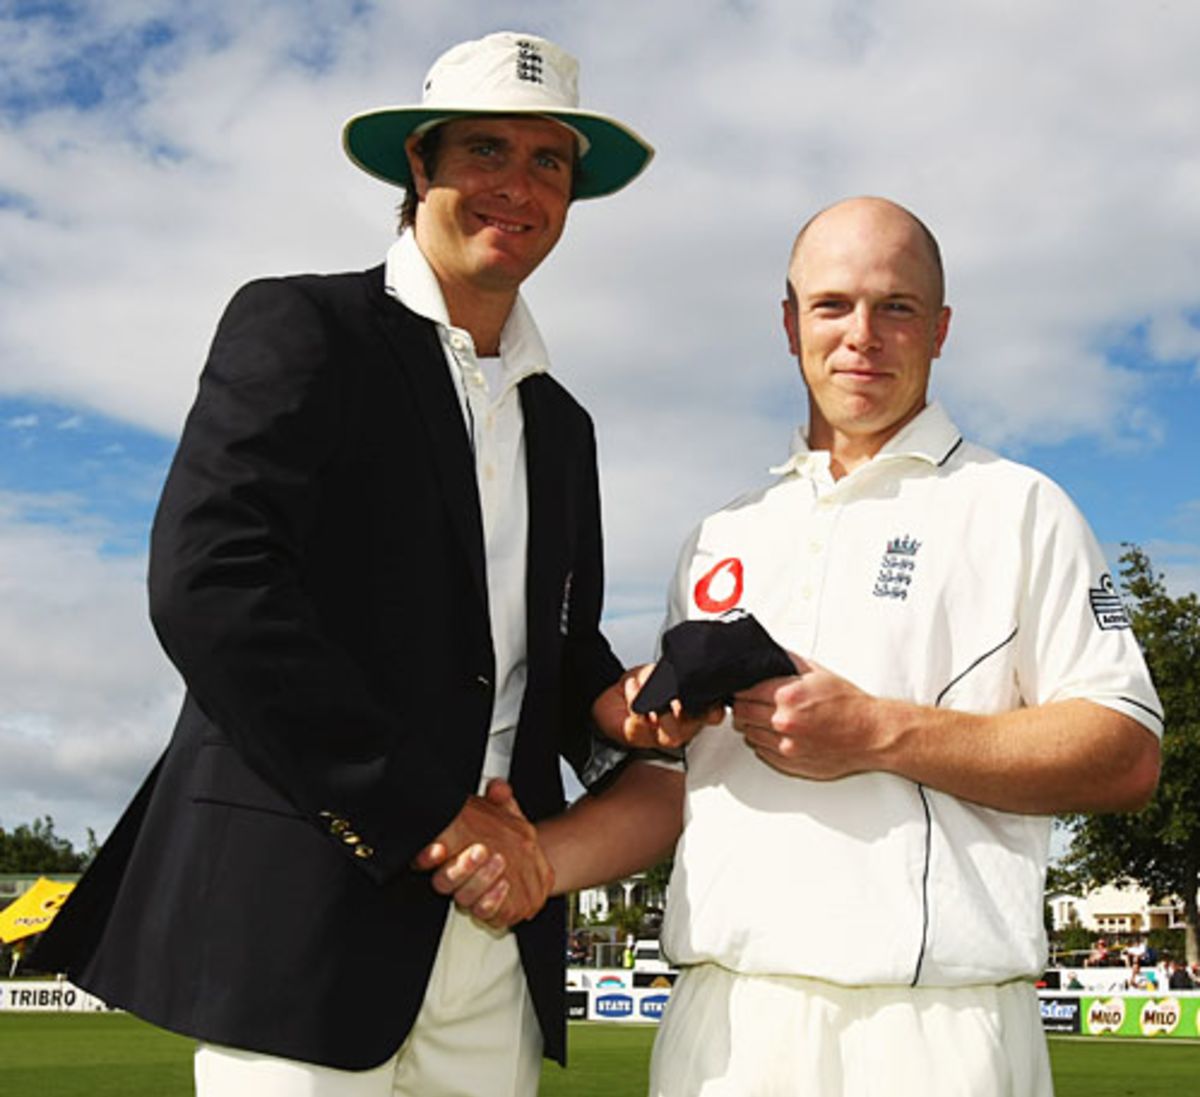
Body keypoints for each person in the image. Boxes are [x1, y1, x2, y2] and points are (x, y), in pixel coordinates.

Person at [32, 30, 665, 1097]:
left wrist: (621, 709)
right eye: (487, 152)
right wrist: (425, 808)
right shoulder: (303, 323)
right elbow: (210, 586)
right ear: (419, 165)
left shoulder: (564, 425)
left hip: (499, 921)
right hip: (302, 920)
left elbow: (549, 644)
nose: (519, 186)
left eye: (548, 161)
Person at [601, 197, 1163, 1096]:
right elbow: (673, 789)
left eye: (895, 306)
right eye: (831, 305)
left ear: (940, 329)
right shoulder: (723, 534)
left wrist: (876, 733)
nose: (862, 335)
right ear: (790, 326)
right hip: (728, 1026)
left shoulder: (1019, 506)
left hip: (935, 1024)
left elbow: (1126, 753)